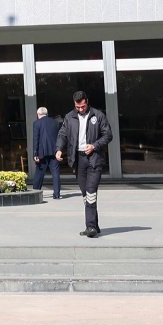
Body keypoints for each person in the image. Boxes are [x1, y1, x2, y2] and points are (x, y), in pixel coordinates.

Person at [55, 90, 112, 238]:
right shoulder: (69, 117)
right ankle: (94, 224)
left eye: (83, 106)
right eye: (77, 107)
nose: (80, 109)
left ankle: (91, 227)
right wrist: (59, 149)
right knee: (85, 194)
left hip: (94, 159)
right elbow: (62, 134)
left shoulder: (97, 115)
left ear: (87, 101)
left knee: (91, 191)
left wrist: (94, 145)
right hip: (78, 159)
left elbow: (108, 135)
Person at [29, 106, 62, 199]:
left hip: (41, 153)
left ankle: (35, 193)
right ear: (47, 114)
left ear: (38, 114)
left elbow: (36, 139)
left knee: (39, 174)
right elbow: (59, 137)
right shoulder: (55, 122)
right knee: (55, 173)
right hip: (54, 152)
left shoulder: (36, 123)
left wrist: (35, 153)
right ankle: (57, 194)